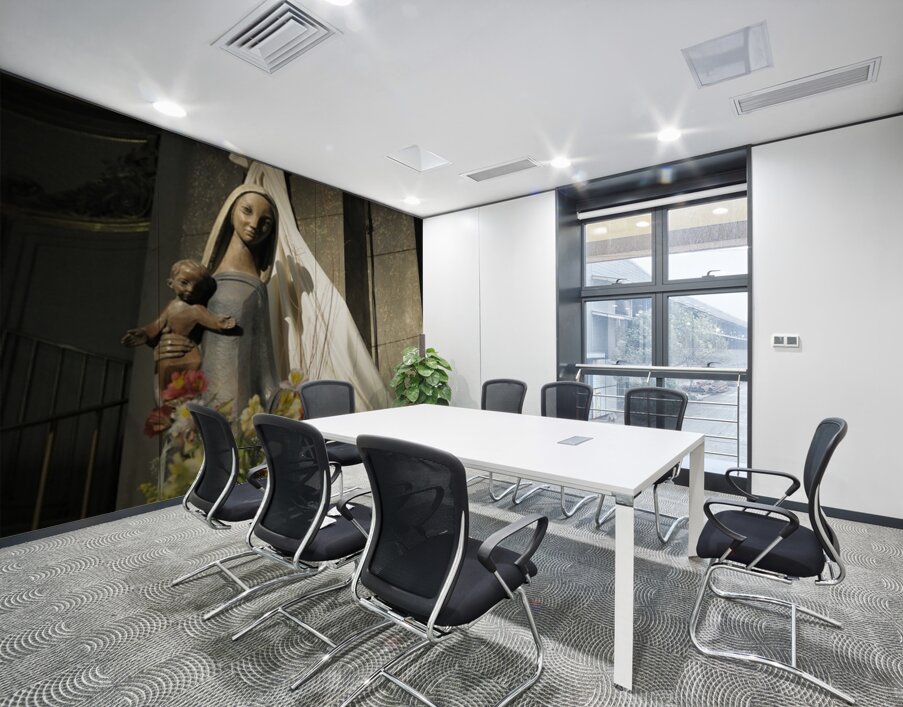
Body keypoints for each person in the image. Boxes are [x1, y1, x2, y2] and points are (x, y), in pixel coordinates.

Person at [194, 184, 280, 413]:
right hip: (203, 386)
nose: (254, 225)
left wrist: (275, 398)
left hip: (240, 393)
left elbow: (263, 355)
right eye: (247, 211)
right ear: (231, 211)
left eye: (266, 222)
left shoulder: (256, 288)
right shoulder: (202, 281)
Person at [122, 259, 235, 393]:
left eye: (197, 287)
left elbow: (210, 320)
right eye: (184, 283)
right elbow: (157, 324)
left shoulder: (196, 310)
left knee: (191, 382)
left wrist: (220, 322)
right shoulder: (171, 307)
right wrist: (145, 334)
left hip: (189, 353)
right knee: (165, 383)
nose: (191, 289)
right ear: (170, 283)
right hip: (167, 351)